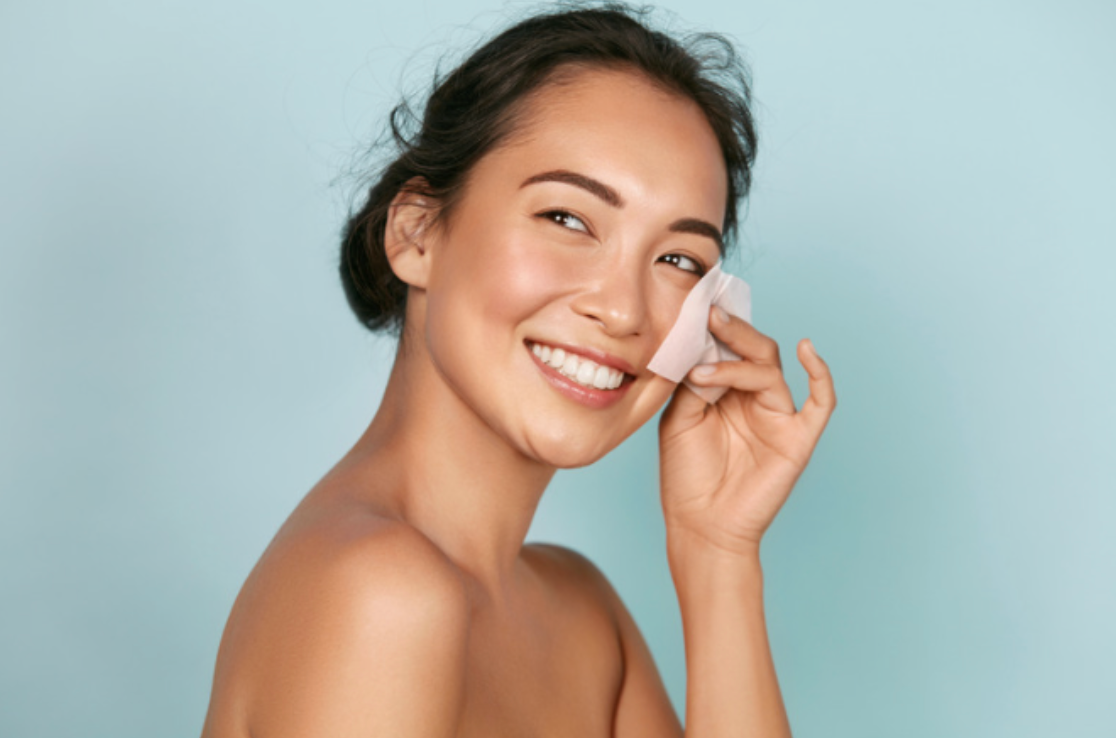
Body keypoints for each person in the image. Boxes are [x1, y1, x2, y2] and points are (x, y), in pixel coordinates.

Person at [200, 4, 836, 736]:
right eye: (567, 219)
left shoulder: (582, 614)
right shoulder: (378, 593)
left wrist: (718, 554)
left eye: (677, 261)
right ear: (416, 234)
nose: (624, 310)